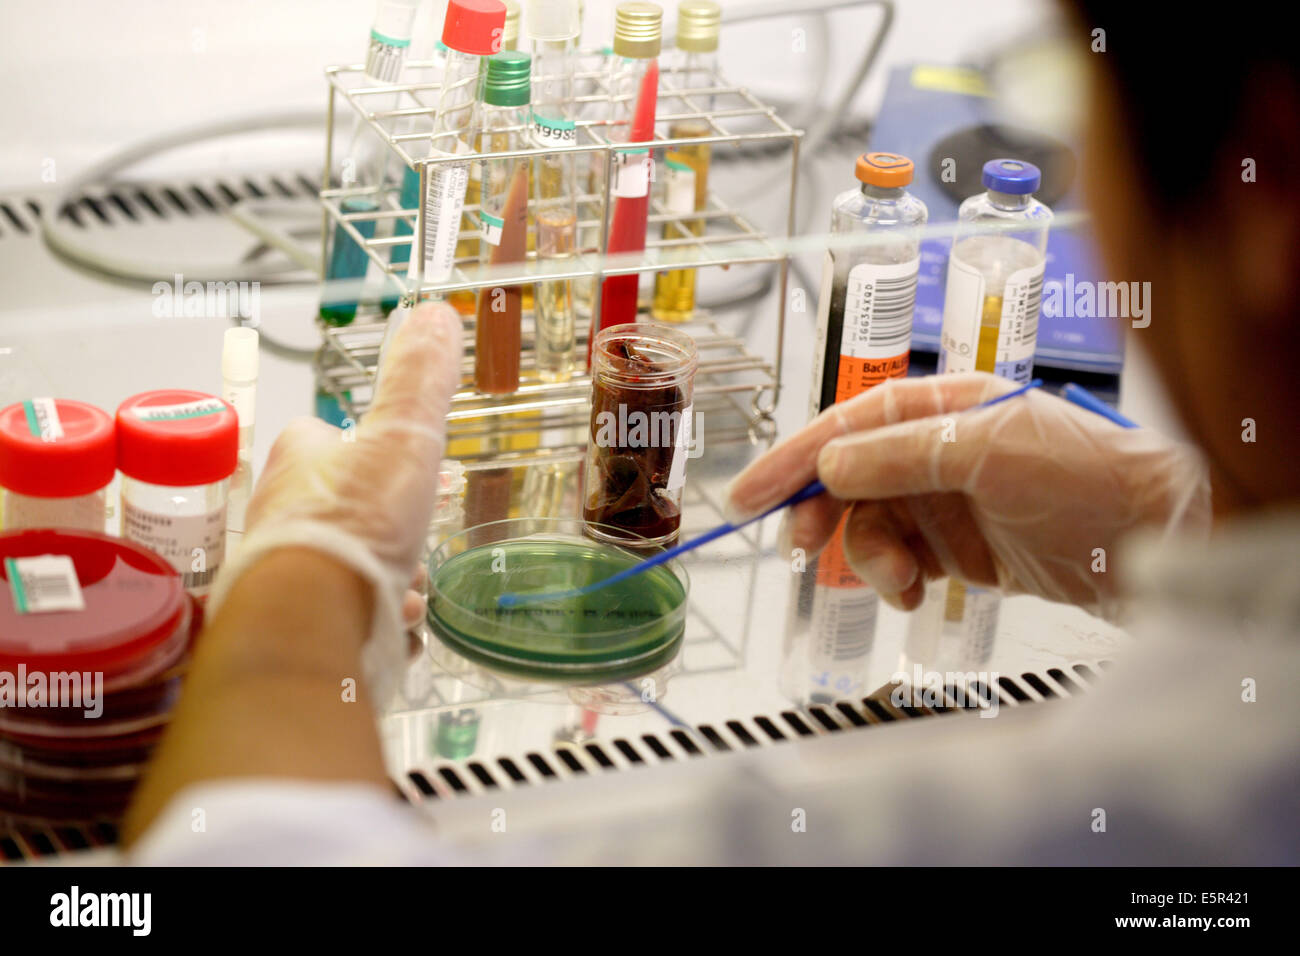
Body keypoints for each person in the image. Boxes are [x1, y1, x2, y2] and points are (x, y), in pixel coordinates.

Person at [122, 4, 1299, 864]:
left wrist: (300, 580)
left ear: (1267, 183)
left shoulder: (1111, 807)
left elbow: (237, 854)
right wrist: (1163, 512)